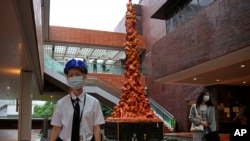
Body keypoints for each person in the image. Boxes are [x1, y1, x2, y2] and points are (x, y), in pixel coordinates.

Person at [50, 58, 105, 141]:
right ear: (67, 78)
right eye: (71, 75)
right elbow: (56, 128)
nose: (74, 77)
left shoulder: (94, 103)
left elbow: (96, 128)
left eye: (78, 74)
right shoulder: (61, 103)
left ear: (84, 77)